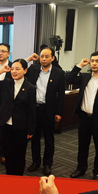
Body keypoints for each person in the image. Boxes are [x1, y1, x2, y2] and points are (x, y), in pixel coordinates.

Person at [65, 52, 98, 180]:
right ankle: (81, 168)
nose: (93, 63)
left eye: (97, 61)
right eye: (92, 61)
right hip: (84, 118)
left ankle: (97, 171)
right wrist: (79, 65)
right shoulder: (85, 77)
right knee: (82, 146)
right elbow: (69, 78)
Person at [0, 59, 36, 175]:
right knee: (8, 153)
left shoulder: (30, 88)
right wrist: (1, 71)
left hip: (21, 126)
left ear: (25, 70)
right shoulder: (6, 83)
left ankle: (18, 177)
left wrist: (31, 129)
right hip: (6, 124)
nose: (14, 71)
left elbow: (32, 110)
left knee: (19, 154)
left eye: (17, 69)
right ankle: (9, 176)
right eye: (12, 69)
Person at [25, 47, 65, 176]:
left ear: (53, 58)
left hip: (49, 110)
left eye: (47, 56)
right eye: (42, 56)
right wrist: (29, 59)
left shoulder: (59, 73)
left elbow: (61, 95)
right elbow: (19, 67)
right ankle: (35, 162)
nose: (43, 59)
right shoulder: (33, 69)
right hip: (34, 109)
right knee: (34, 137)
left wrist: (59, 112)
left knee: (49, 139)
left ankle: (47, 164)